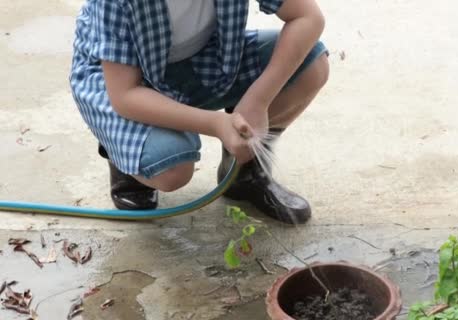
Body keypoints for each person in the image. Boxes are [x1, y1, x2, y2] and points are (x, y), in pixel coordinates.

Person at [69, 0, 329, 224]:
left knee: (311, 68)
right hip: (122, 77)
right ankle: (125, 161)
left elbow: (307, 17)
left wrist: (258, 99)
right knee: (173, 169)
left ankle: (245, 175)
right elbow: (124, 95)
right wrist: (216, 123)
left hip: (205, 58)